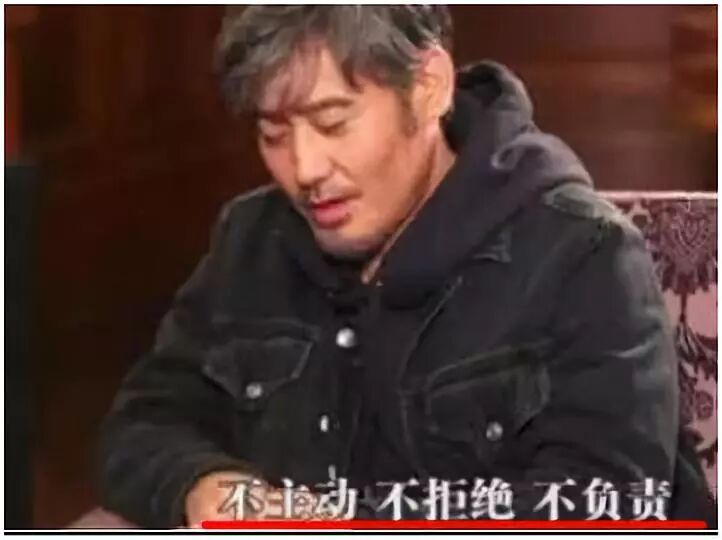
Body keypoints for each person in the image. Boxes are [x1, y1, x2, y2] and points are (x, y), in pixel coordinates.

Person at [98, 5, 714, 528]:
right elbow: (144, 423)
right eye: (273, 133)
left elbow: (606, 507)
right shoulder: (249, 240)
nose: (304, 168)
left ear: (428, 87)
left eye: (332, 122)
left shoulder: (583, 255)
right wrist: (202, 484)